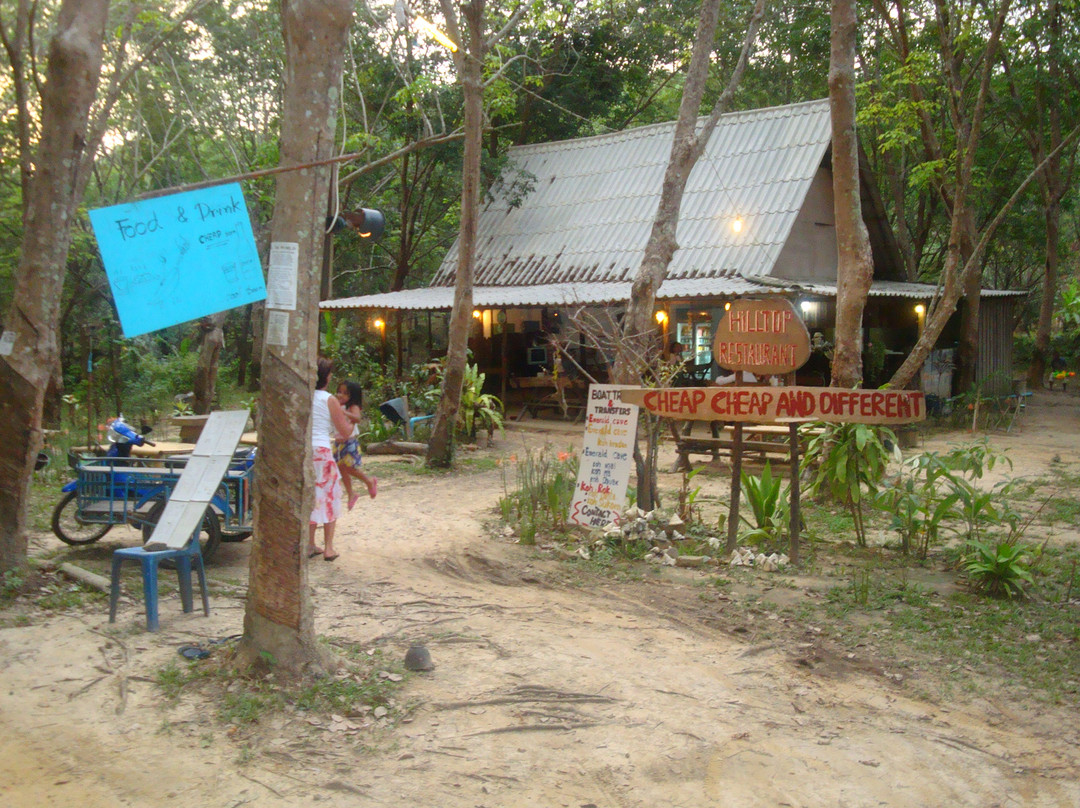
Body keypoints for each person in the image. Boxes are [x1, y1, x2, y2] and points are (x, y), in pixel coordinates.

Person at [309, 358, 353, 562]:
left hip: (305, 451)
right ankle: (328, 547)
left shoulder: (303, 396)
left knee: (310, 496)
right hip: (322, 451)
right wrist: (352, 421)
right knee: (328, 496)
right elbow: (344, 431)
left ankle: (310, 543)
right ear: (326, 377)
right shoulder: (329, 399)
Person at [334, 380, 377, 510]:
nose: (341, 395)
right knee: (341, 468)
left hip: (349, 442)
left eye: (345, 393)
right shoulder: (336, 405)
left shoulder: (352, 407)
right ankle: (350, 493)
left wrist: (344, 412)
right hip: (338, 442)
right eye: (339, 392)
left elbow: (357, 418)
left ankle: (369, 481)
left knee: (350, 468)